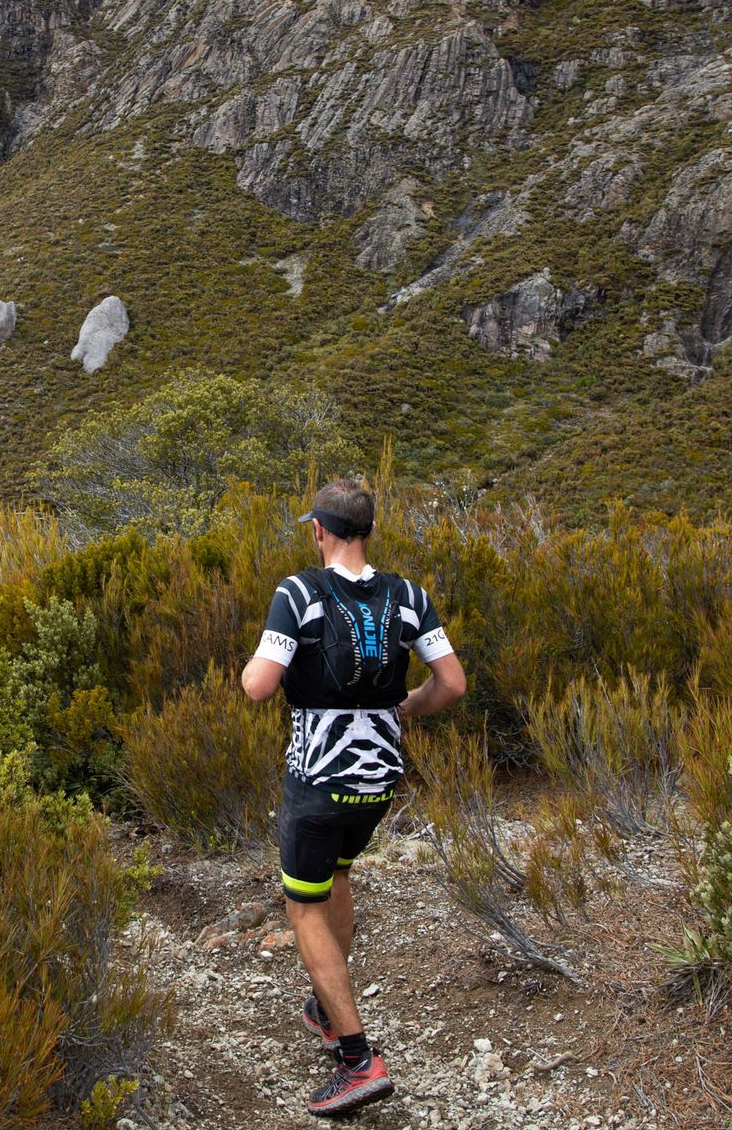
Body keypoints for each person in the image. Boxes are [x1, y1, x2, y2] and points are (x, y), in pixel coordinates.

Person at [240, 477, 467, 1117]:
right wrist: (409, 706)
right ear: (366, 531)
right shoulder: (408, 597)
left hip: (319, 777)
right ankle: (324, 1004)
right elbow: (451, 681)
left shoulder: (299, 593)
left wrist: (247, 667)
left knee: (303, 908)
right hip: (379, 778)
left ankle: (358, 1060)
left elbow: (260, 686)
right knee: (336, 876)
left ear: (319, 530)